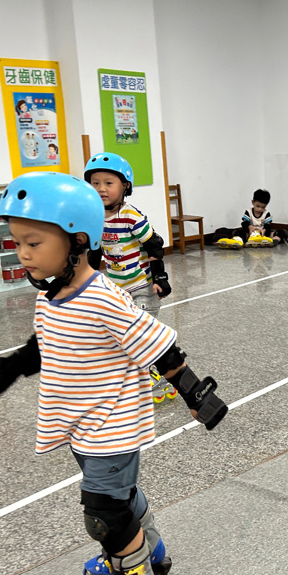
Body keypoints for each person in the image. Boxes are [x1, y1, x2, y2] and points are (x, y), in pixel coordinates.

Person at [0, 172, 228, 575]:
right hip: (79, 422)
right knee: (119, 496)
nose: (22, 253)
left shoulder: (103, 297)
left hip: (112, 421)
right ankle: (148, 549)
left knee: (103, 514)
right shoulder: (52, 295)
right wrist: (4, 374)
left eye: (33, 242)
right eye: (17, 242)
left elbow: (158, 345)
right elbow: (42, 346)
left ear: (78, 241)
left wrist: (196, 394)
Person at [83, 152, 176, 402]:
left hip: (142, 287)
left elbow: (155, 244)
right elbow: (95, 252)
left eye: (108, 183)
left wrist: (160, 277)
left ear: (125, 186)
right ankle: (136, 376)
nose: (101, 189)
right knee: (119, 337)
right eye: (95, 183)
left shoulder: (130, 216)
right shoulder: (96, 217)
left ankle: (158, 377)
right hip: (118, 291)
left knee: (140, 335)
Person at [217, 189, 288, 248]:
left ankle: (274, 240)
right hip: (250, 234)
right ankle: (238, 241)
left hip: (263, 235)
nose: (260, 209)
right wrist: (250, 227)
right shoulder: (249, 212)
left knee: (282, 232)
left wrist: (264, 230)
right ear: (253, 202)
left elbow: (268, 225)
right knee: (238, 233)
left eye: (263, 207)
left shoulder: (266, 214)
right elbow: (244, 223)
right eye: (258, 206)